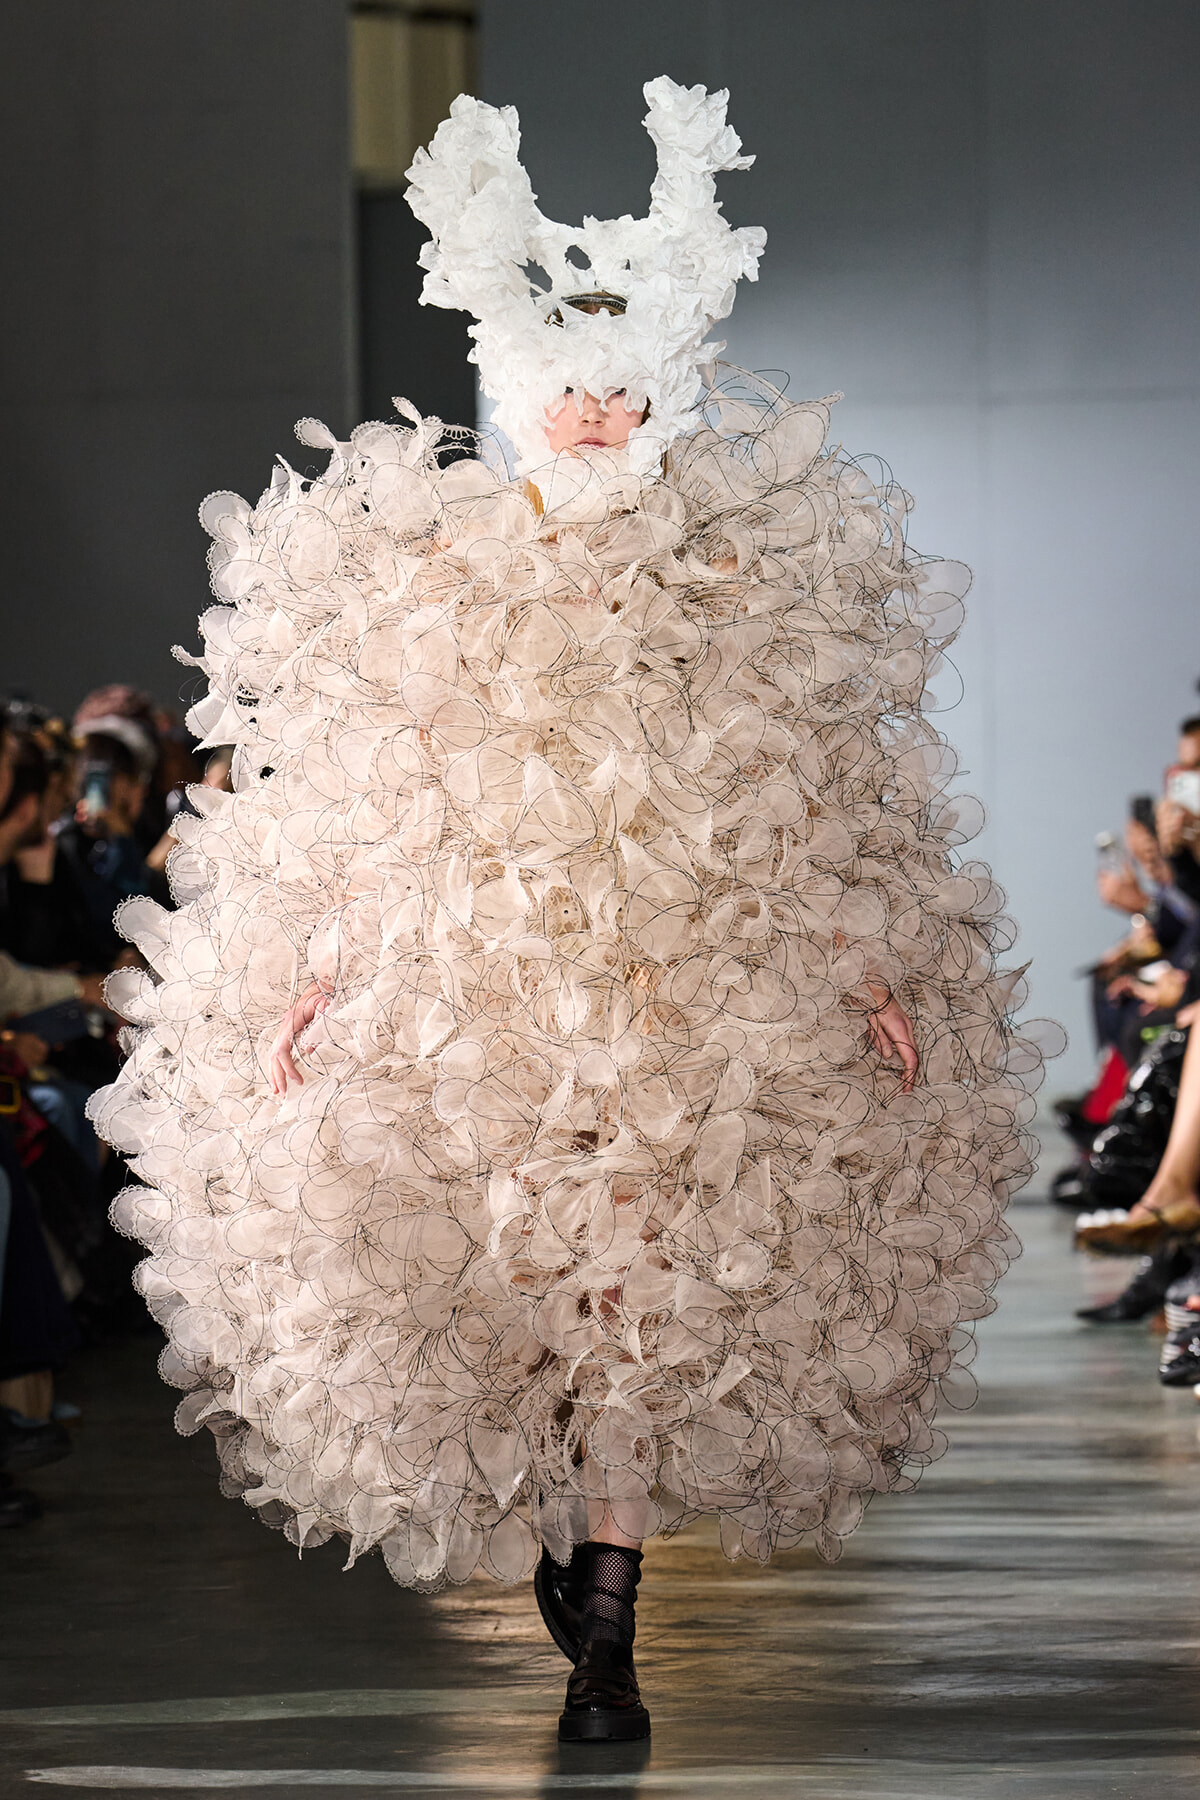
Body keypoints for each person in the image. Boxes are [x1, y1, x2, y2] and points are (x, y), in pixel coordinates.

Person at [90, 78, 1051, 1745]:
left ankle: (609, 1632)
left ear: (661, 394)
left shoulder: (733, 580)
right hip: (486, 999)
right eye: (570, 383)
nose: (599, 409)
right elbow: (366, 790)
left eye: (625, 384)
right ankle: (575, 1558)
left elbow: (800, 796)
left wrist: (860, 960)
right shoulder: (434, 570)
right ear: (521, 392)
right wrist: (313, 976)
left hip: (690, 1001)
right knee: (515, 1297)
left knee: (640, 1302)